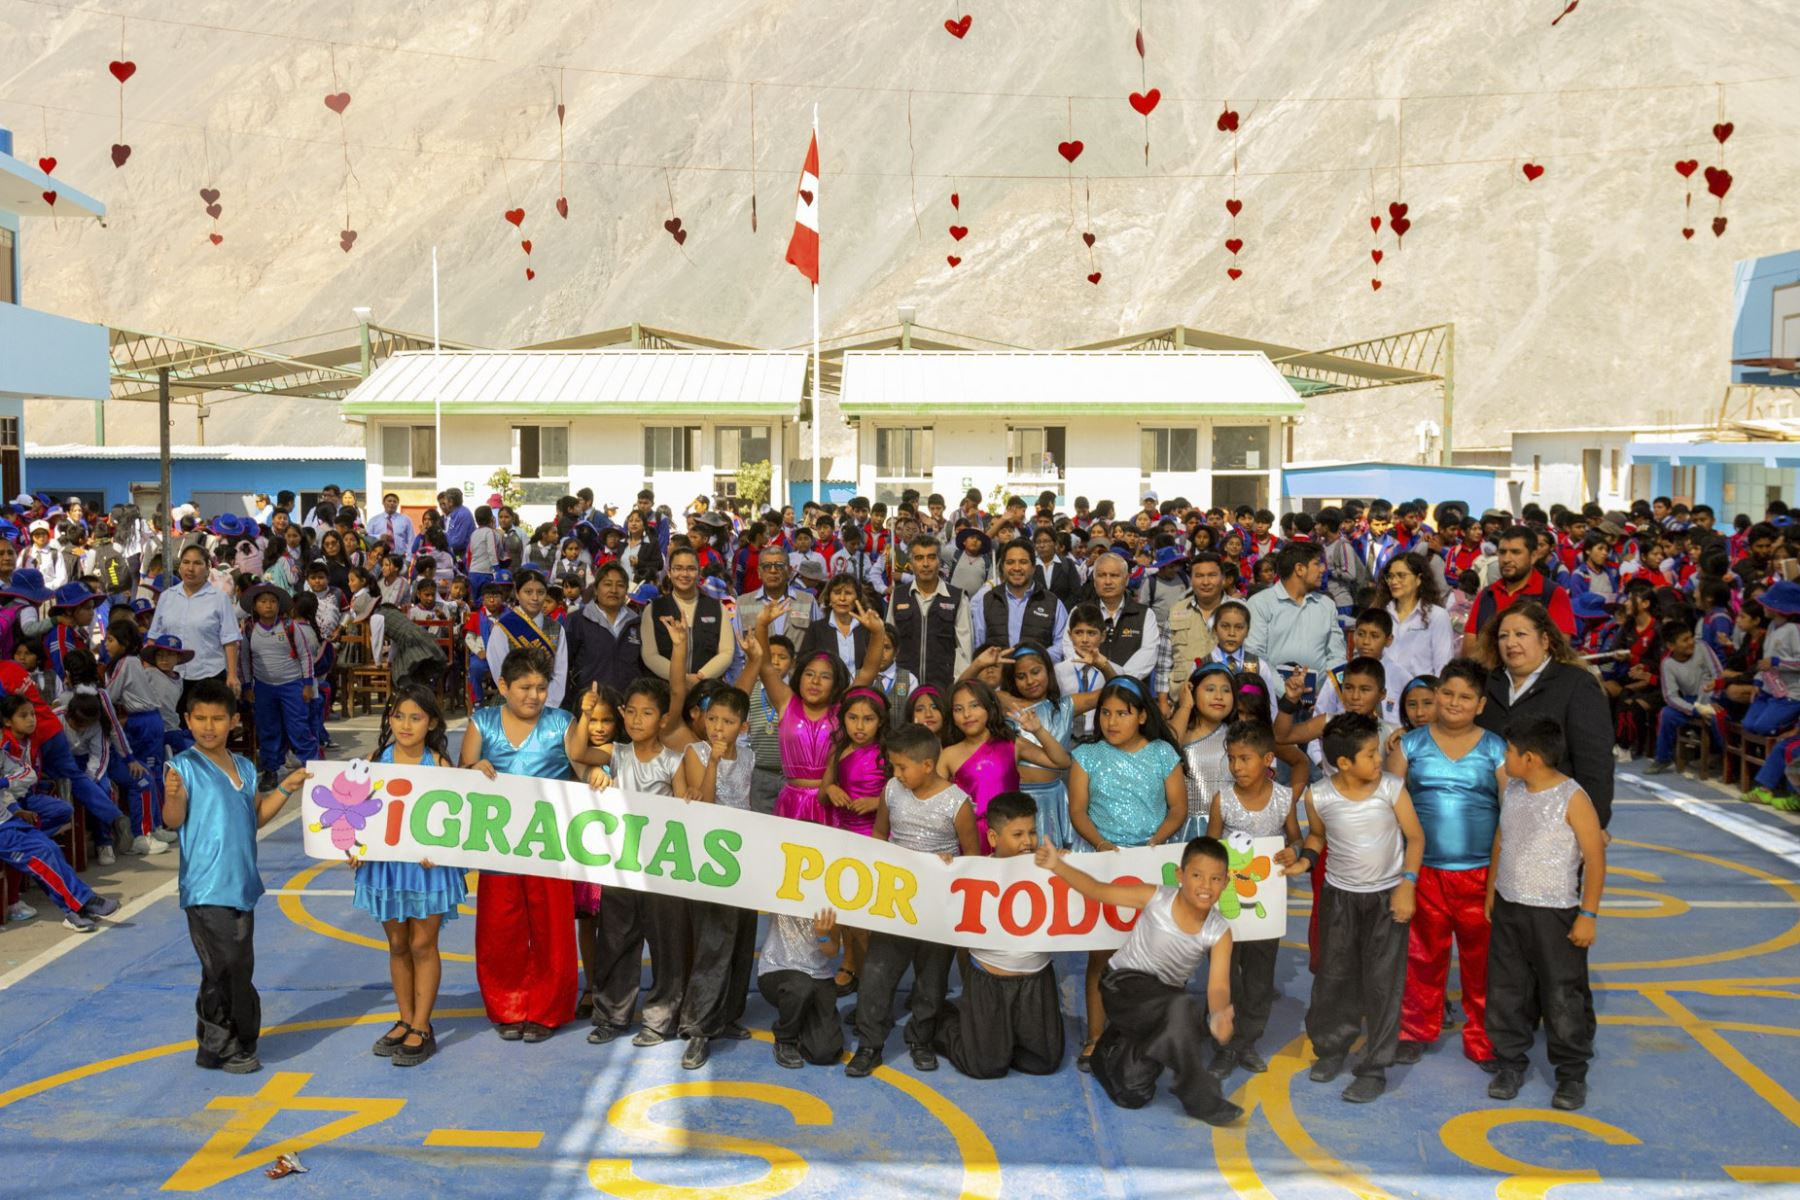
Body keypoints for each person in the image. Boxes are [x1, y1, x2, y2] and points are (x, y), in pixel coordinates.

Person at [1036, 835, 1243, 1127]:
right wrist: (1057, 865)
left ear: (1226, 883)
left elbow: (1218, 986)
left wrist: (1220, 1012)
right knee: (1182, 1008)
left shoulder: (1219, 931)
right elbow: (1098, 890)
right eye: (1197, 876)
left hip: (1162, 1004)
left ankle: (1106, 1053)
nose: (1206, 886)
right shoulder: (1156, 897)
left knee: (1134, 1094)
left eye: (1215, 879)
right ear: (1180, 875)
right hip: (1122, 985)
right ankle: (1201, 1099)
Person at [164, 679, 308, 1073]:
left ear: (234, 721)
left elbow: (255, 818)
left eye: (217, 718)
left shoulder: (244, 766)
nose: (208, 726)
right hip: (206, 887)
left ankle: (226, 1041)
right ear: (187, 720)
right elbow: (172, 820)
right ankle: (227, 1043)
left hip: (241, 885)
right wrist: (174, 795)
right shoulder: (182, 767)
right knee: (224, 966)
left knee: (234, 966)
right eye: (200, 719)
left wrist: (287, 787)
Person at [1286, 713, 1426, 1103]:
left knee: (1383, 983)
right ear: (1344, 763)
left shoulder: (1392, 789)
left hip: (1386, 898)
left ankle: (1374, 1066)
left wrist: (1406, 887)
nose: (1379, 759)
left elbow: (1414, 838)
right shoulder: (1319, 797)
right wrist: (1303, 861)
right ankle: (1331, 1049)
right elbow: (1316, 837)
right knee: (1334, 977)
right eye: (1370, 754)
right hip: (1339, 898)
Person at [458, 647, 586, 1041]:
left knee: (553, 932)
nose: (534, 695)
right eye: (524, 687)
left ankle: (547, 1010)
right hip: (498, 850)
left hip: (550, 847)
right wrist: (473, 769)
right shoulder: (482, 724)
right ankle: (507, 1007)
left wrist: (598, 773)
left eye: (541, 687)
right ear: (503, 686)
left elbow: (584, 769)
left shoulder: (563, 723)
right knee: (501, 930)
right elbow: (461, 779)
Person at [1385, 660, 1508, 1069]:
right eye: (1448, 694)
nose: (1455, 703)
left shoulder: (1496, 748)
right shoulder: (1410, 745)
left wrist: (1497, 879)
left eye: (1465, 697)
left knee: (1482, 961)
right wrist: (1402, 874)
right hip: (1424, 872)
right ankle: (1414, 1030)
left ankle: (1483, 1036)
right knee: (1421, 956)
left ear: (1481, 704)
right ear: (1436, 696)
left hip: (1479, 875)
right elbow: (1389, 807)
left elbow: (1511, 814)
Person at [1485, 717, 1606, 1112]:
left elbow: (1595, 858)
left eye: (1509, 752)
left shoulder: (1573, 797)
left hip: (1555, 912)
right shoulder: (1514, 789)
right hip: (1510, 906)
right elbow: (1502, 840)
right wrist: (1492, 893)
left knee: (1561, 992)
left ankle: (1571, 1073)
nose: (1504, 759)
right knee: (1508, 988)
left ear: (1531, 758)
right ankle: (1509, 1061)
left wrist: (1587, 914)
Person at [1069, 676, 1187, 1070]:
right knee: (1101, 955)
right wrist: (1103, 845)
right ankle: (1096, 1036)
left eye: (1122, 713)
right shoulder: (1087, 756)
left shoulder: (1161, 754)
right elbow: (1078, 811)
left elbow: (1176, 809)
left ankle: (1155, 1035)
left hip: (1150, 864)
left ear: (1140, 716)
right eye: (1105, 712)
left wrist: (1156, 840)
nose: (1111, 721)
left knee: (1158, 955)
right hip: (1105, 863)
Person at [849, 723, 979, 1077]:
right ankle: (869, 1044)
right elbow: (879, 832)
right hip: (896, 901)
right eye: (893, 766)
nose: (896, 773)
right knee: (877, 973)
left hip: (938, 906)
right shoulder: (892, 789)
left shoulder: (957, 803)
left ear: (926, 765)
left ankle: (921, 1039)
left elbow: (973, 857)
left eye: (902, 766)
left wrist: (956, 865)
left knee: (932, 978)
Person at [353, 684, 468, 1067]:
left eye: (415, 717)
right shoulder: (374, 760)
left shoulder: (438, 765)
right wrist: (354, 847)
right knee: (398, 944)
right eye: (399, 716)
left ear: (432, 722)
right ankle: (404, 1018)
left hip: (426, 870)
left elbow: (453, 821)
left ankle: (423, 1024)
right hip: (385, 867)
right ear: (389, 718)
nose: (405, 724)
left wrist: (442, 850)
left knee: (423, 944)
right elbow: (359, 813)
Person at [933, 790, 1066, 1078]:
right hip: (990, 981)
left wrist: (1068, 866)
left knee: (1043, 1063)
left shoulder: (1050, 867)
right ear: (993, 838)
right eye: (1017, 834)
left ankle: (1001, 1036)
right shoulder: (973, 871)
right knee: (985, 1067)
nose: (1028, 841)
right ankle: (942, 1020)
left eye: (1032, 832)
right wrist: (943, 868)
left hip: (1035, 980)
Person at [1204, 720, 1302, 1078]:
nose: (1236, 767)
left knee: (1260, 977)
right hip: (1227, 905)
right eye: (1231, 759)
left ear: (1268, 759)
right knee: (1225, 975)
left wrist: (1294, 852)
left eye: (1244, 759)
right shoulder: (1222, 800)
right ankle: (1223, 1046)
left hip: (1266, 906)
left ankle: (1247, 1041)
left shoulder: (1283, 798)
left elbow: (1294, 839)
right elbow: (1210, 848)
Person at [669, 686, 759, 1070]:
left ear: (743, 726)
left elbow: (747, 802)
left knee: (741, 939)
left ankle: (728, 1014)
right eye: (713, 719)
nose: (719, 728)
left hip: (744, 858)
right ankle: (698, 1028)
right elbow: (704, 802)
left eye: (728, 722)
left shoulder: (751, 756)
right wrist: (713, 765)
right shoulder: (696, 753)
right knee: (713, 942)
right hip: (710, 860)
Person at [1474, 603, 1615, 828]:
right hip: (1488, 822)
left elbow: (1595, 763)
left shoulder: (1576, 684)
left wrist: (1593, 825)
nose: (1511, 643)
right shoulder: (1484, 683)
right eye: (1503, 636)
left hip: (1554, 824)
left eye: (1521, 634)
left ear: (1545, 640)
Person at [0, 693, 119, 930]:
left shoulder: (5, 753)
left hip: (8, 819)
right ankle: (79, 904)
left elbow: (27, 774)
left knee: (50, 847)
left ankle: (77, 908)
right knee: (41, 852)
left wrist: (6, 788)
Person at [940, 673, 1069, 850]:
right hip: (970, 839)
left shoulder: (1012, 744)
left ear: (990, 707)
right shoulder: (948, 754)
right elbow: (936, 803)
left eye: (975, 705)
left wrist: (1038, 730)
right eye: (958, 709)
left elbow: (1061, 761)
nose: (967, 714)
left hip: (1012, 835)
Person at [236, 582, 319, 787]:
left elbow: (305, 656)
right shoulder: (248, 629)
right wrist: (247, 687)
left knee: (298, 728)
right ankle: (271, 770)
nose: (268, 605)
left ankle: (315, 768)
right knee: (268, 729)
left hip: (292, 685)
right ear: (255, 606)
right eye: (263, 601)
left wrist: (307, 684)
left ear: (279, 604)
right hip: (263, 688)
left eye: (273, 601)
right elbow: (244, 660)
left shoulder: (291, 627)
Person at [149, 544, 242, 707]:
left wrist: (232, 675)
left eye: (197, 563)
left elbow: (230, 639)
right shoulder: (167, 597)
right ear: (179, 568)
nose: (190, 568)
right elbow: (154, 637)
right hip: (171, 676)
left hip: (209, 675)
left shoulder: (219, 598)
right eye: (186, 562)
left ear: (208, 568)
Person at [1463, 526, 1577, 655]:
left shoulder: (1553, 594)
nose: (1506, 559)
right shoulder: (1486, 595)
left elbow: (1559, 650)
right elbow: (1469, 650)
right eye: (1502, 552)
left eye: (1515, 552)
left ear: (1533, 556)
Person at [757, 908, 845, 1069]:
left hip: (818, 975)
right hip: (777, 968)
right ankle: (785, 1040)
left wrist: (822, 934)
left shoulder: (831, 902)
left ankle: (803, 1022)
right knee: (800, 987)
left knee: (825, 1052)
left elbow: (832, 952)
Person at [887, 535, 974, 695]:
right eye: (919, 558)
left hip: (944, 685)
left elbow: (964, 648)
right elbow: (889, 643)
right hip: (904, 686)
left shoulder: (957, 597)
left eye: (931, 557)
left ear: (939, 561)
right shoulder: (898, 595)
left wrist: (958, 684)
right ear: (911, 563)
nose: (926, 564)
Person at [1245, 541, 1346, 678]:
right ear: (1299, 569)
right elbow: (1254, 655)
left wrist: (1325, 691)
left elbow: (1337, 655)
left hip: (1319, 695)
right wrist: (1285, 691)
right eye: (1317, 563)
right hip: (1273, 696)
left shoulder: (1327, 605)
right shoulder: (1260, 603)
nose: (1322, 569)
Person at [643, 546, 737, 684]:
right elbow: (650, 655)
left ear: (699, 573)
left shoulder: (717, 608)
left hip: (706, 689)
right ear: (669, 573)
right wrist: (681, 679)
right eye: (678, 568)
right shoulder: (653, 609)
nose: (684, 574)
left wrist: (699, 678)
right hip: (664, 690)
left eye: (691, 568)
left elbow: (727, 652)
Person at [1064, 551, 1159, 684]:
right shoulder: (1079, 611)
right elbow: (1070, 649)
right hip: (1088, 688)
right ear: (1094, 580)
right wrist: (1099, 678)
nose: (1108, 581)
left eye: (1114, 575)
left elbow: (1149, 653)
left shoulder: (1145, 614)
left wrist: (1117, 679)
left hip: (1130, 690)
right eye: (1102, 575)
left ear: (1126, 580)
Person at [485, 568, 569, 709]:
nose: (535, 598)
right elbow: (499, 670)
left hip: (547, 703)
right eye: (528, 592)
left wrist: (548, 705)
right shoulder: (503, 628)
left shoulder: (557, 629)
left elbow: (560, 672)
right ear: (517, 594)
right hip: (511, 703)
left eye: (540, 592)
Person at [1171, 662, 1237, 841]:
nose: (1218, 696)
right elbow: (1166, 750)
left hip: (1230, 828)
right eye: (1210, 689)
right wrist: (1185, 707)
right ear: (1192, 693)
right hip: (1186, 831)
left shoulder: (1238, 736)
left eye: (1226, 690)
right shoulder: (1181, 734)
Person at [1648, 618, 1723, 774]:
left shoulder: (1702, 647)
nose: (1691, 642)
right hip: (1691, 702)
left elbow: (1719, 676)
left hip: (1712, 698)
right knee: (1666, 714)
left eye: (1691, 637)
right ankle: (1663, 758)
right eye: (1685, 640)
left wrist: (1710, 702)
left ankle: (1723, 756)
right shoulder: (1667, 664)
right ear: (1671, 646)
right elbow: (1670, 697)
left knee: (1716, 716)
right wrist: (1696, 710)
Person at [971, 542, 1068, 663]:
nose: (1016, 568)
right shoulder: (987, 601)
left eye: (1023, 562)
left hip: (1036, 678)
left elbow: (1062, 644)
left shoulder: (1052, 603)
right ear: (1002, 567)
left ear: (1033, 567)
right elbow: (978, 643)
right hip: (998, 678)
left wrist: (1034, 659)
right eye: (1010, 562)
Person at [565, 561, 644, 699]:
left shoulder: (637, 623)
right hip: (589, 705)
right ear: (596, 589)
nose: (613, 590)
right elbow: (565, 665)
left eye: (620, 585)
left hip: (628, 705)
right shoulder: (577, 620)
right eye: (607, 584)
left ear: (626, 590)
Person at [1377, 551, 1458, 685]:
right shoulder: (1380, 613)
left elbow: (1443, 667)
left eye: (1401, 576)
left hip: (1420, 696)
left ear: (1419, 579)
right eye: (1390, 576)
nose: (1393, 581)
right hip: (1383, 696)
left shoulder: (1437, 616)